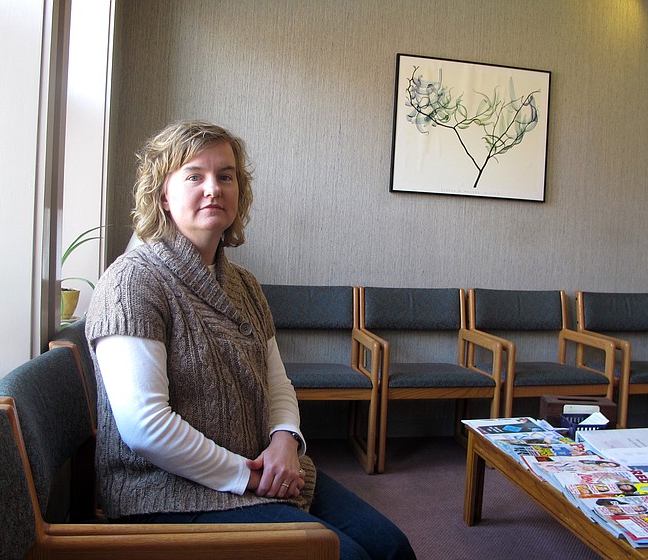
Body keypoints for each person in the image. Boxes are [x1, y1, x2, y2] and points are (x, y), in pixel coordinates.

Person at [85, 120, 416, 560]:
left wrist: (285, 441)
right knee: (345, 555)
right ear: (163, 194)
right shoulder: (132, 282)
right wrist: (249, 476)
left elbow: (276, 382)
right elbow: (144, 427)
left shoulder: (243, 284)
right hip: (165, 493)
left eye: (226, 176)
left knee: (393, 548)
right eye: (194, 176)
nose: (213, 188)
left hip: (258, 468)